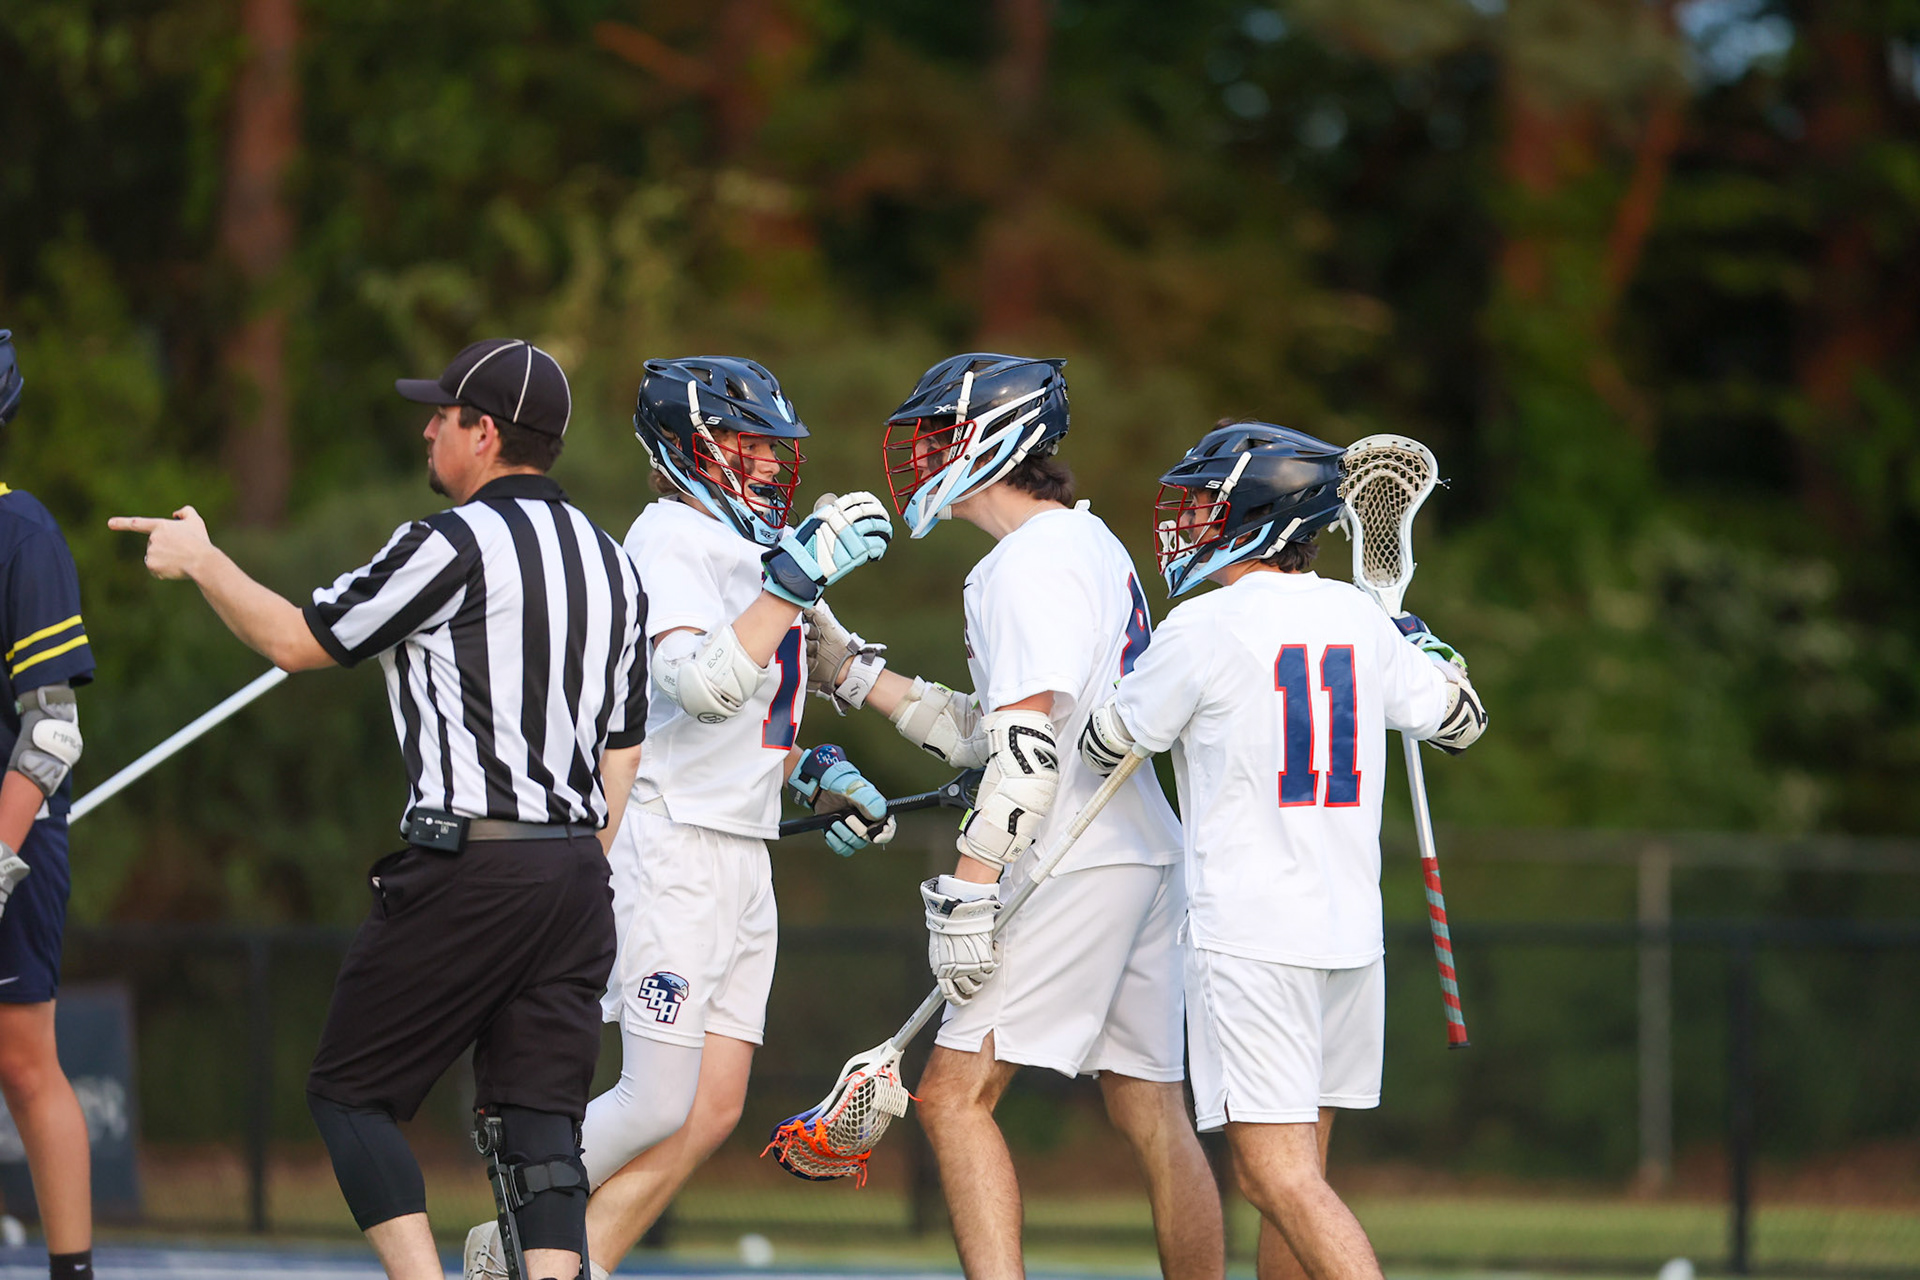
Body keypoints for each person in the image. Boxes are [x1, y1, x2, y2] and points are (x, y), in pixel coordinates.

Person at [111, 339, 650, 1280]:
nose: (428, 428)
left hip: (473, 863)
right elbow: (624, 744)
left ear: (484, 435)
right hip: (575, 875)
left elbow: (293, 641)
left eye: (442, 415)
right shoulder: (613, 565)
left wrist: (202, 560)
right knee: (540, 1131)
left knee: (350, 1093)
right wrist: (573, 861)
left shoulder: (448, 542)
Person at [464, 356, 897, 1280]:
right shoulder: (667, 537)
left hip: (740, 846)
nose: (772, 467)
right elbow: (697, 686)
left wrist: (813, 768)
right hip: (671, 842)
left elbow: (764, 705)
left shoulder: (749, 551)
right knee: (659, 1103)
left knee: (711, 1110)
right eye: (747, 446)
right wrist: (797, 577)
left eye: (775, 449)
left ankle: (562, 1261)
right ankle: (518, 1232)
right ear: (688, 450)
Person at [803, 353, 1223, 1280]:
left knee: (954, 1098)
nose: (920, 456)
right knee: (1151, 1108)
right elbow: (995, 733)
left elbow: (1025, 759)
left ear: (994, 440)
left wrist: (971, 890)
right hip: (1146, 847)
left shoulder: (1021, 567)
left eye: (937, 436)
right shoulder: (1088, 543)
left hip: (1070, 855)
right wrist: (857, 676)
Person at [1077, 422, 1488, 1280]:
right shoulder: (1358, 619)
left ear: (1260, 516)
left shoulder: (1202, 627)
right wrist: (1424, 647)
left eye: (1204, 507)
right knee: (1300, 1182)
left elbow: (1105, 742)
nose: (1185, 524)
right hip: (1347, 940)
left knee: (1276, 1178)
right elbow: (1460, 720)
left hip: (1252, 938)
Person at [0, 330, 95, 1280]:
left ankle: (72, 1271)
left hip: (10, 838)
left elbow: (53, 731)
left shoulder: (22, 532)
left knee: (24, 1063)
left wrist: (0, 852)